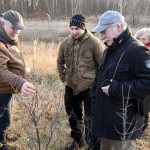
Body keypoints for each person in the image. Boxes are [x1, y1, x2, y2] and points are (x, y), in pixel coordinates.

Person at [90, 11, 150, 150]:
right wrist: (93, 98)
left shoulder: (137, 50)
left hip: (123, 128)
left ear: (118, 27)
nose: (102, 37)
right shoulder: (109, 50)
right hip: (105, 124)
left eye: (104, 32)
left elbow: (147, 83)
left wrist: (115, 89)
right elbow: (100, 78)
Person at [57, 14, 104, 150]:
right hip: (70, 86)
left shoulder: (94, 43)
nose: (74, 32)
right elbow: (60, 61)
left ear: (83, 27)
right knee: (72, 116)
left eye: (77, 28)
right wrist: (63, 77)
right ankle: (77, 140)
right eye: (71, 28)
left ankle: (93, 144)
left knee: (91, 119)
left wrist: (96, 86)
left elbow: (102, 65)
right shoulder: (65, 43)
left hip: (89, 87)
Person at [0, 10, 36, 150]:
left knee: (5, 116)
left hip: (8, 87)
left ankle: (3, 136)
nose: (16, 31)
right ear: (3, 23)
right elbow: (1, 70)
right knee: (3, 119)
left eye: (18, 28)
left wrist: (21, 69)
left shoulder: (8, 38)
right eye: (13, 27)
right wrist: (21, 82)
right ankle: (2, 144)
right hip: (1, 90)